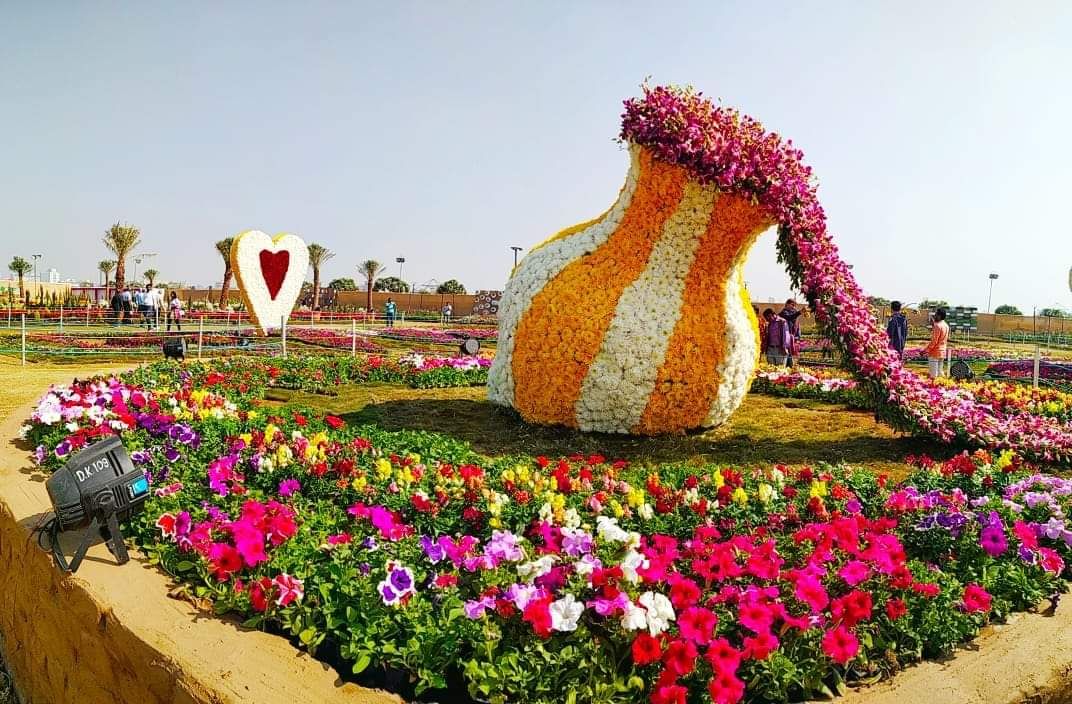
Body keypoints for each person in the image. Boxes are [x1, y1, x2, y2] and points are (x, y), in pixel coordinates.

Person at [924, 308, 950, 378]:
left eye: (936, 314)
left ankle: (933, 387)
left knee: (933, 375)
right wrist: (934, 325)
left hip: (935, 352)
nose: (934, 316)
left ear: (939, 316)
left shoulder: (937, 326)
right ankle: (942, 386)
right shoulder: (946, 325)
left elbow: (934, 341)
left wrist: (925, 350)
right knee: (940, 373)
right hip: (942, 352)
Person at [779, 299, 804, 366]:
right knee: (785, 358)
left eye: (794, 306)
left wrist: (797, 337)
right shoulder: (783, 313)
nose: (793, 307)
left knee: (791, 358)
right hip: (784, 340)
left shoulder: (792, 313)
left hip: (790, 339)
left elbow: (796, 326)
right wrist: (799, 312)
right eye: (792, 305)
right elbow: (789, 317)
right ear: (787, 304)